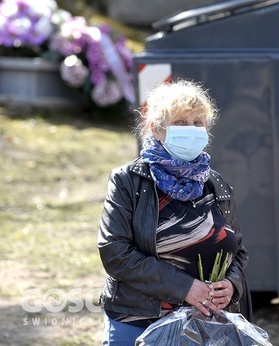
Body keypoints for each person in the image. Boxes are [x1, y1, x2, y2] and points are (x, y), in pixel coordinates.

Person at [97, 79, 252, 345]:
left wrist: (231, 285)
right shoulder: (128, 180)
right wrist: (185, 288)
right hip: (137, 321)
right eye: (180, 123)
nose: (191, 130)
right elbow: (115, 252)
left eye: (197, 123)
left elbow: (237, 251)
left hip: (204, 326)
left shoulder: (216, 185)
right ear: (157, 130)